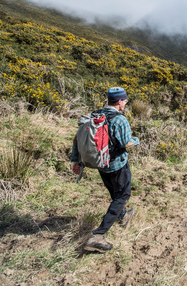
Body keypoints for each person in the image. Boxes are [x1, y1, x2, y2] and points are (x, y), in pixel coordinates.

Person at [70, 87, 139, 253]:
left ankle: (121, 215)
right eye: (125, 100)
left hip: (101, 164)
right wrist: (136, 140)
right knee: (123, 194)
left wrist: (75, 160)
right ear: (119, 101)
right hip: (117, 165)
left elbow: (77, 139)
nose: (126, 102)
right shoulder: (120, 119)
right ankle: (98, 235)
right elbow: (126, 143)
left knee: (115, 192)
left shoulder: (95, 115)